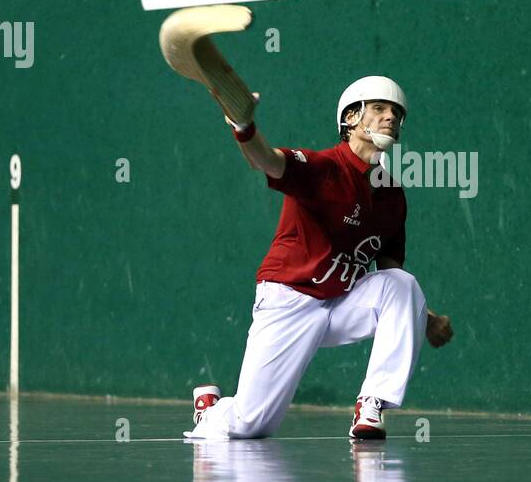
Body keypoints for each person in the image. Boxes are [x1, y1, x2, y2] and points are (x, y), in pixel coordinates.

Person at [185, 75, 454, 441]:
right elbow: (266, 160)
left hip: (340, 303)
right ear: (350, 120)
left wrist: (426, 318)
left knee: (402, 283)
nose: (390, 116)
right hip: (289, 299)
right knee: (252, 426)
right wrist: (244, 127)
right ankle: (211, 411)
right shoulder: (321, 168)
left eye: (395, 112)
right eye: (378, 108)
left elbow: (390, 274)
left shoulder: (392, 194)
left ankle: (372, 404)